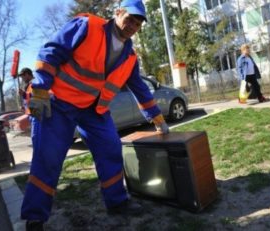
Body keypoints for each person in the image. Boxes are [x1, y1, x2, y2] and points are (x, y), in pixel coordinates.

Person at [21, 0, 169, 230]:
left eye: (138, 23)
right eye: (130, 18)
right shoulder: (87, 26)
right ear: (117, 12)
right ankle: (35, 218)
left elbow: (139, 88)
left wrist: (157, 118)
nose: (133, 25)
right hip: (57, 103)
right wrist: (39, 91)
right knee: (47, 158)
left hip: (92, 109)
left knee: (111, 149)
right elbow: (51, 53)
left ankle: (117, 202)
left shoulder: (130, 57)